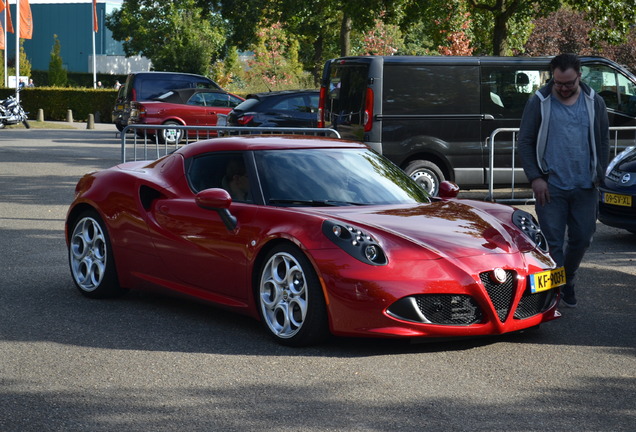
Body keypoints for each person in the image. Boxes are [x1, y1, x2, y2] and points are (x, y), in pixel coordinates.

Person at [518, 53, 610, 308]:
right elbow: (525, 141)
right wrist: (536, 178)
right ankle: (554, 295)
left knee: (583, 238)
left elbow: (603, 140)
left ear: (580, 76)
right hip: (551, 186)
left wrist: (599, 173)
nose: (563, 88)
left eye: (569, 83)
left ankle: (567, 279)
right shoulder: (539, 101)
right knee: (553, 243)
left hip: (585, 185)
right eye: (558, 82)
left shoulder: (595, 102)